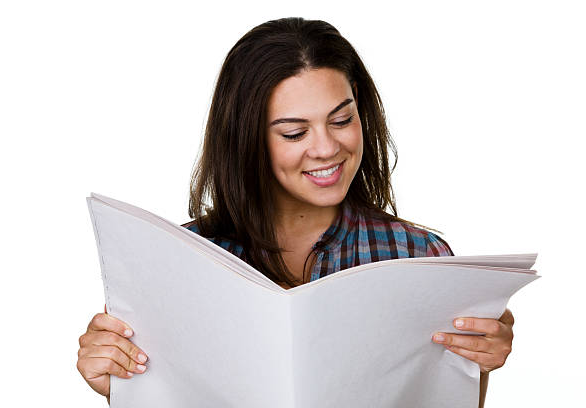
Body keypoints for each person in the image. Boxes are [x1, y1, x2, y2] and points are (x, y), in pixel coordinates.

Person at [77, 17, 515, 407]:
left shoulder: (421, 257)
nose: (326, 148)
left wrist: (478, 365)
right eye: (294, 132)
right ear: (248, 139)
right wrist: (121, 385)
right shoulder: (177, 262)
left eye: (342, 121)